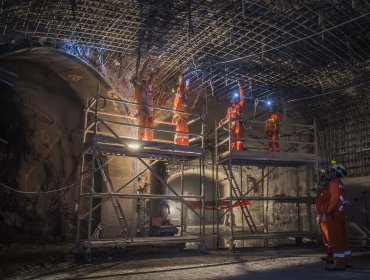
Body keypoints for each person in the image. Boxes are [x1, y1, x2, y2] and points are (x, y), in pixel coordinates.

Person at [322, 164, 352, 270]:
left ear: (337, 173)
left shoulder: (334, 183)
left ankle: (339, 263)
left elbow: (334, 199)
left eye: (333, 171)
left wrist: (327, 212)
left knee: (336, 238)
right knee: (343, 238)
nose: (331, 173)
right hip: (340, 213)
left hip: (334, 214)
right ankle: (347, 260)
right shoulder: (341, 184)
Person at [130, 58, 156, 141]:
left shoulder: (147, 89)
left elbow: (152, 78)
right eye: (142, 82)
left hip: (150, 113)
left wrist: (152, 66)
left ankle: (149, 142)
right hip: (143, 113)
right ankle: (140, 142)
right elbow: (140, 75)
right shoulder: (138, 90)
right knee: (142, 129)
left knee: (150, 131)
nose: (144, 81)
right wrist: (146, 63)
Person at [172, 76, 202, 145]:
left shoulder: (184, 100)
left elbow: (184, 93)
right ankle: (177, 148)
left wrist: (187, 86)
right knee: (179, 136)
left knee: (185, 137)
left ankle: (185, 148)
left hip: (184, 121)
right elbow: (181, 92)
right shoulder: (178, 98)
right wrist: (181, 82)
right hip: (180, 120)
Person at [219, 82, 246, 150]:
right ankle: (233, 151)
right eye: (234, 99)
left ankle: (239, 151)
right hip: (232, 125)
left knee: (239, 138)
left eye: (236, 99)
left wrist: (240, 88)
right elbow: (227, 117)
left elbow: (242, 98)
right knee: (233, 139)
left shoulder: (239, 105)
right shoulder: (229, 108)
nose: (235, 100)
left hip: (238, 124)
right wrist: (222, 121)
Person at [315, 170, 333, 263]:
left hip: (326, 217)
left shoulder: (329, 191)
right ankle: (329, 254)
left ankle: (332, 255)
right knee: (325, 237)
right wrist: (319, 215)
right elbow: (319, 204)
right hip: (322, 217)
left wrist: (324, 214)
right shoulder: (322, 191)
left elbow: (327, 204)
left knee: (330, 237)